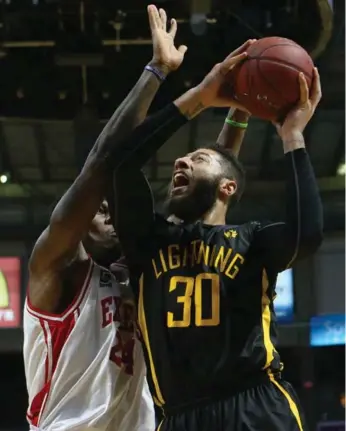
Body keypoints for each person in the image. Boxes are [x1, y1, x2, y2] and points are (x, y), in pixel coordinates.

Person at [111, 55, 323, 430]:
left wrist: (293, 137)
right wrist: (199, 97)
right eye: (185, 157)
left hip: (256, 407)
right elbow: (122, 161)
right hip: (180, 416)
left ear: (228, 187)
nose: (182, 160)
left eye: (199, 158)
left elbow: (306, 234)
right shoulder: (150, 240)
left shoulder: (252, 241)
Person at [23, 5, 189, 431]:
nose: (112, 215)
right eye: (101, 209)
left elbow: (208, 202)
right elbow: (101, 164)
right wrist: (156, 72)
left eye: (115, 208)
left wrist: (237, 113)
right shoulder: (55, 267)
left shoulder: (141, 276)